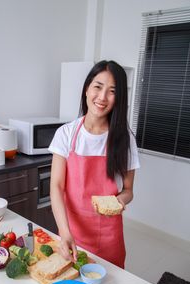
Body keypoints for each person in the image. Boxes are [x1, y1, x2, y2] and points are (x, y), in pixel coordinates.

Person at [48, 60, 140, 268]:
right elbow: (56, 186)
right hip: (71, 229)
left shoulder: (125, 139)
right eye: (98, 87)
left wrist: (118, 202)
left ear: (119, 99)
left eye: (112, 91)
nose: (102, 97)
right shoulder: (66, 133)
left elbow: (128, 190)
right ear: (87, 88)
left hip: (108, 235)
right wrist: (64, 232)